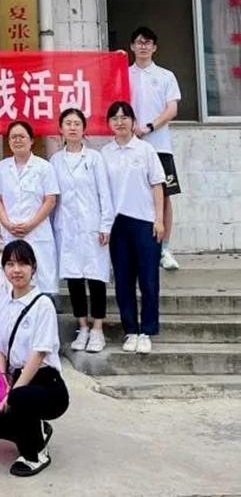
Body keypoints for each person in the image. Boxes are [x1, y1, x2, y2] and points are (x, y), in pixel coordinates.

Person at [0, 240, 69, 478]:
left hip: (46, 382)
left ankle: (35, 454)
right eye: (10, 264)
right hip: (16, 378)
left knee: (19, 399)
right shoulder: (3, 302)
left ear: (33, 268)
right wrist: (3, 381)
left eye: (22, 264)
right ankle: (37, 430)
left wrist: (12, 392)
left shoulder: (43, 305)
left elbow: (38, 354)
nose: (16, 270)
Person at [101, 101, 165, 355]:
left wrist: (159, 219)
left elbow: (157, 185)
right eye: (115, 118)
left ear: (133, 121)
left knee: (148, 279)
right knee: (123, 280)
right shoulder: (104, 153)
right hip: (118, 224)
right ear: (109, 124)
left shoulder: (145, 149)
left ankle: (147, 330)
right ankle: (131, 330)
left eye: (124, 117)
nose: (120, 122)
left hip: (145, 221)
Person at [50, 108, 114, 354]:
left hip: (92, 227)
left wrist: (105, 224)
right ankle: (83, 326)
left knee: (96, 278)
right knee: (74, 279)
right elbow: (53, 198)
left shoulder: (95, 158)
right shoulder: (55, 161)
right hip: (66, 228)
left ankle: (97, 328)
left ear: (83, 128)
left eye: (77, 123)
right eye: (68, 123)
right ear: (61, 129)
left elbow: (104, 193)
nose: (73, 127)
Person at [128, 26, 182, 271]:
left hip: (160, 145)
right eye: (139, 42)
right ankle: (136, 248)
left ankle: (165, 249)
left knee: (165, 195)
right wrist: (130, 129)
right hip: (130, 146)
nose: (143, 46)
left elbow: (172, 109)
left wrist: (149, 127)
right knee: (133, 195)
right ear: (132, 46)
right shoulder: (123, 74)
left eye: (148, 43)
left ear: (154, 47)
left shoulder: (165, 76)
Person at [0, 120, 60, 296]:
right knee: (10, 281)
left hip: (37, 232)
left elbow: (50, 200)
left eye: (22, 136)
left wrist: (30, 224)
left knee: (41, 283)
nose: (17, 140)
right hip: (10, 231)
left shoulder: (44, 167)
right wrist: (6, 223)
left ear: (31, 140)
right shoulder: (1, 168)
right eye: (13, 137)